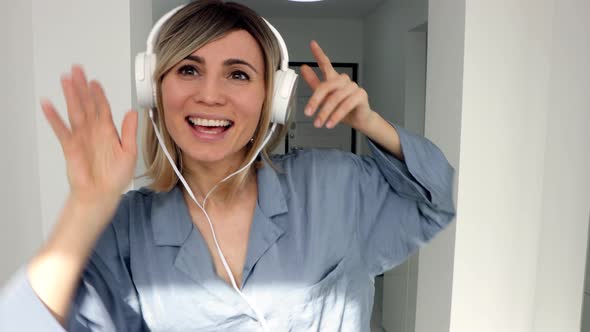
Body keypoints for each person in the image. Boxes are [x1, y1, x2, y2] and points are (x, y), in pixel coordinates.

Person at [0, 1, 456, 331]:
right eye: (188, 70)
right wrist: (85, 207)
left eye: (238, 74)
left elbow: (436, 201)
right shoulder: (124, 232)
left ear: (271, 100)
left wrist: (372, 124)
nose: (210, 95)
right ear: (153, 89)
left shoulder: (333, 186)